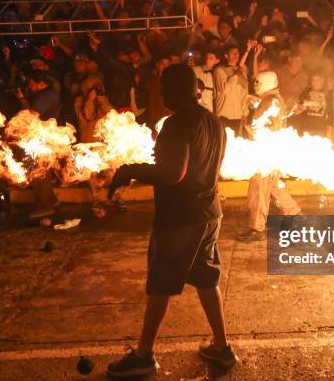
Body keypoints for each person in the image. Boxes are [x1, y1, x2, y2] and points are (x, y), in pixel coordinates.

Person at [105, 64, 237, 377]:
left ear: (176, 92)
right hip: (209, 214)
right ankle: (221, 347)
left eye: (164, 89)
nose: (161, 94)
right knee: (206, 278)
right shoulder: (213, 121)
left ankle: (143, 355)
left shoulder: (177, 124)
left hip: (180, 219)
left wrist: (131, 170)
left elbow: (173, 173)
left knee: (161, 286)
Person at [238, 70, 301, 242]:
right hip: (273, 151)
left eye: (258, 82)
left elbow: (258, 128)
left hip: (264, 152)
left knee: (259, 191)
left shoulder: (269, 101)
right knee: (274, 186)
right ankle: (294, 213)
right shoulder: (274, 99)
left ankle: (257, 228)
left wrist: (250, 123)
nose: (255, 85)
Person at [17, 71, 62, 219]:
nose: (29, 87)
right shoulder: (47, 94)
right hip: (42, 137)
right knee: (42, 171)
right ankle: (51, 200)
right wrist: (23, 98)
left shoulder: (45, 95)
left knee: (40, 171)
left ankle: (45, 206)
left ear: (41, 83)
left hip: (43, 138)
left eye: (31, 84)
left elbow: (30, 117)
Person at [213, 45, 249, 135]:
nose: (237, 56)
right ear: (226, 56)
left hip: (237, 116)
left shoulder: (241, 71)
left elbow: (245, 93)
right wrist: (236, 74)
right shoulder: (219, 70)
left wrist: (244, 113)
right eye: (234, 54)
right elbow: (225, 90)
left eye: (238, 54)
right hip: (223, 115)